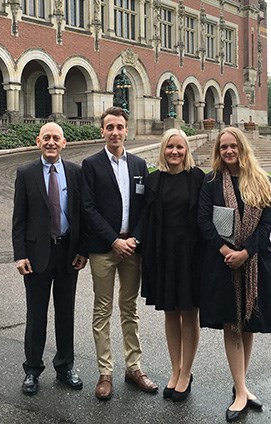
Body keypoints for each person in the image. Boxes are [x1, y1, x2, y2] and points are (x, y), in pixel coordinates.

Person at [197, 127, 271, 422]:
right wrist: (226, 251)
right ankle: (242, 390)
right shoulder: (211, 182)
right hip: (223, 263)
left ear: (242, 147)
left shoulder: (263, 181)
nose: (228, 151)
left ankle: (240, 387)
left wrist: (245, 252)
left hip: (254, 261)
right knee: (232, 323)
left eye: (233, 146)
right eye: (223, 147)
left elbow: (266, 226)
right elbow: (204, 221)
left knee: (248, 324)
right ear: (218, 151)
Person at [81, 106, 158, 400]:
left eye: (120, 127)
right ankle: (105, 372)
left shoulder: (139, 165)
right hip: (104, 249)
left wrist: (134, 239)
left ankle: (134, 367)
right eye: (110, 127)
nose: (115, 132)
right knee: (102, 310)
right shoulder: (91, 164)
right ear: (102, 131)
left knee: (130, 309)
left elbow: (145, 208)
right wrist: (114, 240)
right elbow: (88, 208)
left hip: (132, 249)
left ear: (127, 130)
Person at [12, 122, 88, 396]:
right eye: (47, 138)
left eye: (56, 138)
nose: (51, 142)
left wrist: (83, 251)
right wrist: (19, 254)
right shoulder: (26, 173)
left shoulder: (75, 173)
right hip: (36, 255)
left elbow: (80, 215)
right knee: (36, 316)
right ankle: (32, 370)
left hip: (68, 253)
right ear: (38, 141)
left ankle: (65, 367)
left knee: (65, 313)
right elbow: (19, 218)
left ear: (64, 143)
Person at [139, 128, 204, 402]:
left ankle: (186, 372)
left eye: (179, 147)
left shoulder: (199, 179)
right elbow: (144, 219)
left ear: (186, 150)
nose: (174, 152)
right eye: (169, 147)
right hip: (162, 255)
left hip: (191, 256)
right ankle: (175, 369)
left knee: (189, 314)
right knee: (169, 313)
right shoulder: (153, 182)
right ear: (163, 150)